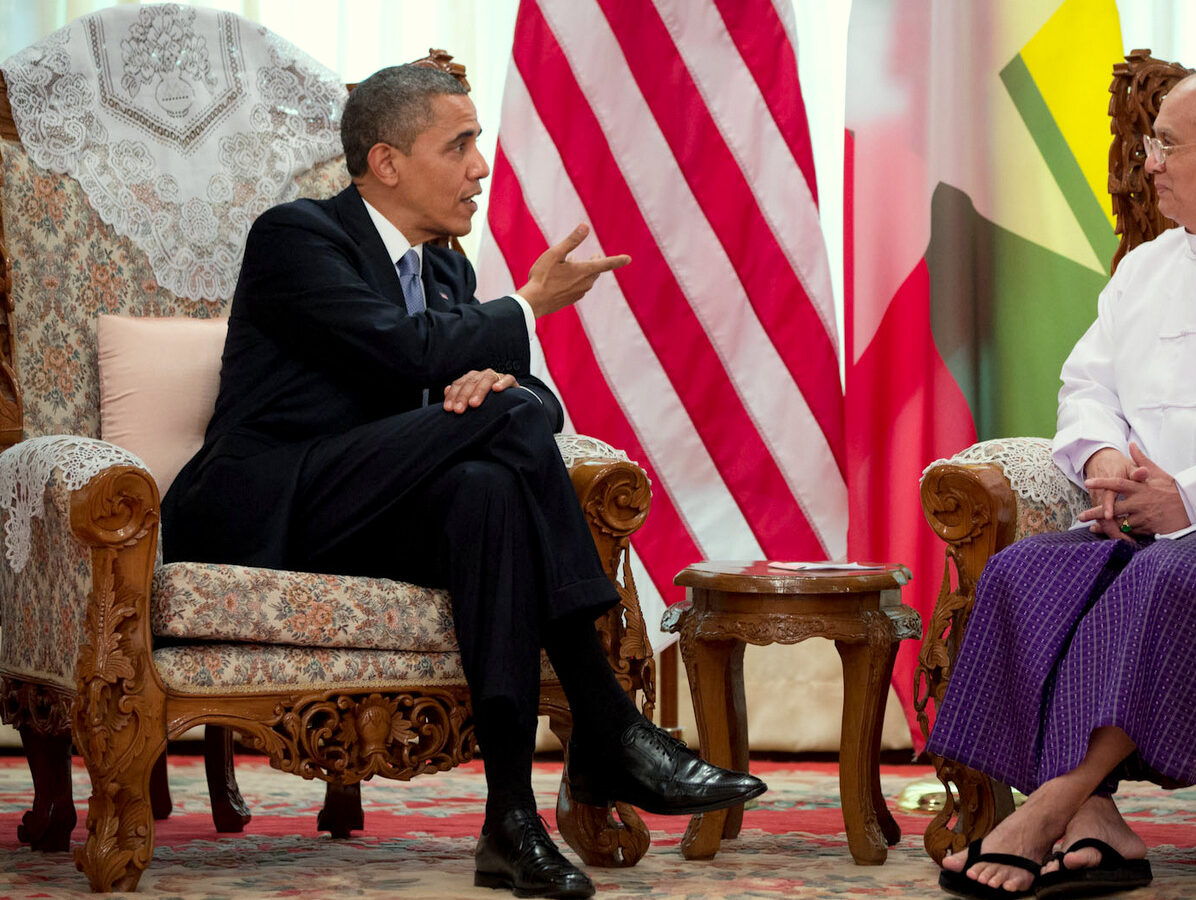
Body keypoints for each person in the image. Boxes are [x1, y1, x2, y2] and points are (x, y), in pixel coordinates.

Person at [162, 64, 764, 900]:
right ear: (387, 162)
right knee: (501, 425)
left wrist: (500, 385)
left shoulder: (443, 272)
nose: (481, 165)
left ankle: (510, 824)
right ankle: (609, 727)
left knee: (486, 489)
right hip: (269, 503)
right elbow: (401, 356)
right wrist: (526, 308)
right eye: (461, 143)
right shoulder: (296, 237)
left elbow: (535, 407)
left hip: (378, 511)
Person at [928, 68, 1196, 900]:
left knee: (1164, 575)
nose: (1150, 161)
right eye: (1151, 142)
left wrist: (1191, 497)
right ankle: (1104, 827)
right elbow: (1085, 385)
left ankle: (1047, 808)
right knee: (1024, 569)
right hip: (1147, 514)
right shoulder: (1143, 267)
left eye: (1167, 143)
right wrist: (1100, 460)